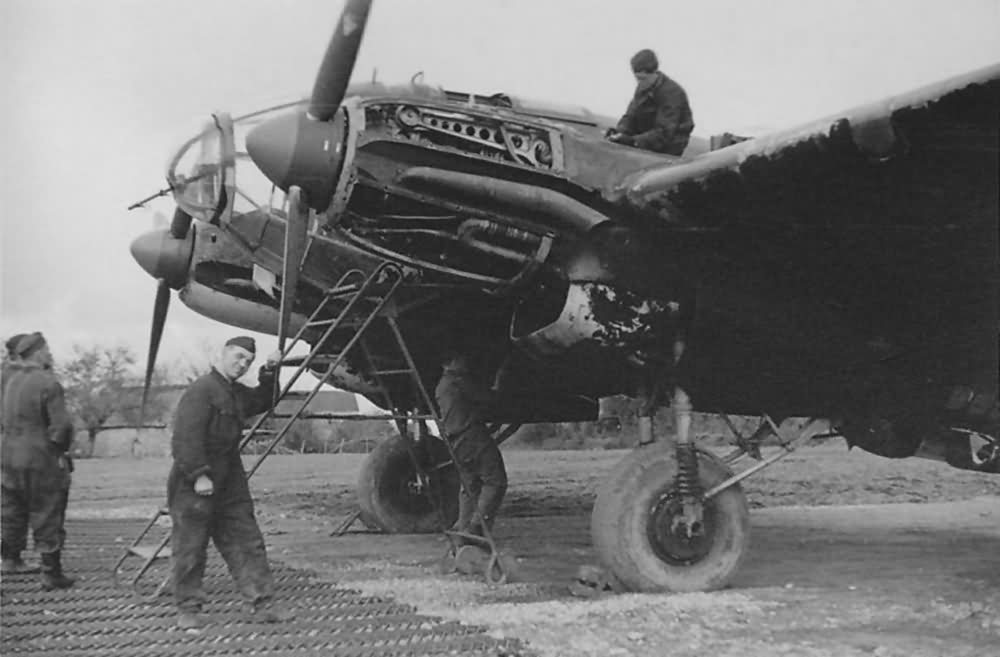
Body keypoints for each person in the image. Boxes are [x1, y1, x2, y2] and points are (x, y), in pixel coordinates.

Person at [168, 336, 291, 631]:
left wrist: (271, 370)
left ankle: (263, 603)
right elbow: (184, 437)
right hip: (194, 479)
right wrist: (199, 474)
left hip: (229, 477)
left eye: (248, 361)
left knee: (246, 539)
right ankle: (188, 609)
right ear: (222, 354)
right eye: (238, 356)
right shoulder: (202, 390)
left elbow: (264, 399)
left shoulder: (235, 393)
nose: (242, 364)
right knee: (190, 546)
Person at [1, 332, 76, 588]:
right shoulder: (48, 383)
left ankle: (10, 559)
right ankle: (51, 572)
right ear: (39, 353)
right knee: (48, 509)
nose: (50, 354)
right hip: (40, 457)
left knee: (13, 509)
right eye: (47, 349)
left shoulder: (10, 381)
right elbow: (61, 427)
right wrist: (60, 451)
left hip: (8, 455)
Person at [434, 350, 507, 539]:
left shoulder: (442, 386)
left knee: (469, 487)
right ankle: (477, 527)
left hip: (455, 441)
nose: (465, 363)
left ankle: (463, 533)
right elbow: (489, 398)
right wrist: (500, 383)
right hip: (471, 437)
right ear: (450, 363)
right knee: (496, 481)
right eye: (460, 359)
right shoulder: (459, 382)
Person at [607, 48, 694, 156]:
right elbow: (631, 116)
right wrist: (619, 133)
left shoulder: (673, 94)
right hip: (644, 141)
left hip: (668, 149)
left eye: (643, 79)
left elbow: (664, 132)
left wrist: (633, 141)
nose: (639, 83)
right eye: (637, 79)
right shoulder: (643, 88)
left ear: (654, 73)